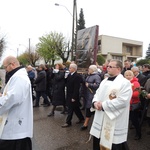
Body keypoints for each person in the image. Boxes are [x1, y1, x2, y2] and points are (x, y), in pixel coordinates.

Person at [90, 59, 132, 150]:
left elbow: (123, 101)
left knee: (114, 144)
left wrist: (103, 105)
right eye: (108, 66)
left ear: (119, 69)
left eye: (110, 67)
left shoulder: (125, 83)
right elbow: (97, 94)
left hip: (114, 120)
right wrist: (95, 102)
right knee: (98, 141)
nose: (107, 68)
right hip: (100, 117)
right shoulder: (104, 81)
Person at [0, 56, 33, 150]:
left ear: (13, 64)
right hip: (14, 130)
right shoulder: (18, 76)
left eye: (6, 67)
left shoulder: (19, 78)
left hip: (15, 131)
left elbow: (12, 98)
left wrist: (3, 99)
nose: (5, 70)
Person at [61, 63, 84, 128]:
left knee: (70, 109)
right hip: (69, 93)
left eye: (70, 68)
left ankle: (68, 122)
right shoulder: (69, 75)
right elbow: (67, 83)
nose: (69, 69)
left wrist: (74, 97)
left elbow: (76, 88)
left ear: (74, 69)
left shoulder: (77, 76)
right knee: (76, 108)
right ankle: (81, 118)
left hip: (73, 95)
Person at [80, 65, 101, 130]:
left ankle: (87, 124)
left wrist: (89, 85)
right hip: (87, 95)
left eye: (89, 69)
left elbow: (98, 85)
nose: (88, 70)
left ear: (93, 70)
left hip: (92, 95)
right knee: (88, 109)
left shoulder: (97, 76)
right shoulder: (89, 75)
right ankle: (87, 124)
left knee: (90, 109)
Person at [124, 70, 141, 140]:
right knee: (129, 119)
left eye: (129, 75)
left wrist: (126, 94)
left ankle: (139, 134)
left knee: (135, 120)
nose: (128, 77)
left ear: (133, 76)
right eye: (126, 75)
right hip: (127, 104)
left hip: (133, 104)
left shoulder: (135, 83)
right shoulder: (124, 83)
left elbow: (136, 94)